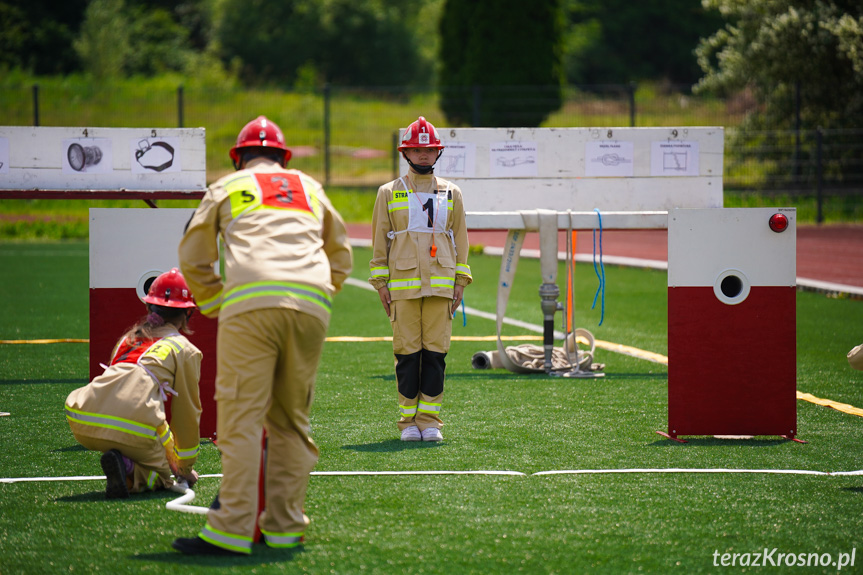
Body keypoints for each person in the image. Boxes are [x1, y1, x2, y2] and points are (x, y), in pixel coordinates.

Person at [174, 115, 353, 556]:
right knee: (291, 420)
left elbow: (193, 256)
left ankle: (232, 529)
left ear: (239, 158)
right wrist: (317, 295)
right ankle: (285, 527)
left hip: (251, 306)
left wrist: (216, 303)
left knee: (242, 419)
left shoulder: (227, 187)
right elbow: (342, 254)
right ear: (283, 157)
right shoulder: (309, 187)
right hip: (311, 307)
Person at [368, 116, 472, 442]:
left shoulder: (452, 192)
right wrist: (381, 284)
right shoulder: (388, 192)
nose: (423, 155)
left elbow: (461, 239)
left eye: (429, 150)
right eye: (416, 149)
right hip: (402, 286)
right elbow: (379, 241)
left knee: (436, 354)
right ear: (406, 153)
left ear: (437, 153)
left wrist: (460, 280)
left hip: (441, 283)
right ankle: (407, 423)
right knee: (407, 354)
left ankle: (430, 421)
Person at [65, 268, 202, 499]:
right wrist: (184, 468)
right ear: (188, 313)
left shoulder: (129, 338)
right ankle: (129, 470)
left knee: (149, 434)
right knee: (162, 475)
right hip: (135, 424)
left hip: (83, 416)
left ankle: (127, 459)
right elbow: (187, 412)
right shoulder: (184, 349)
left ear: (149, 307)